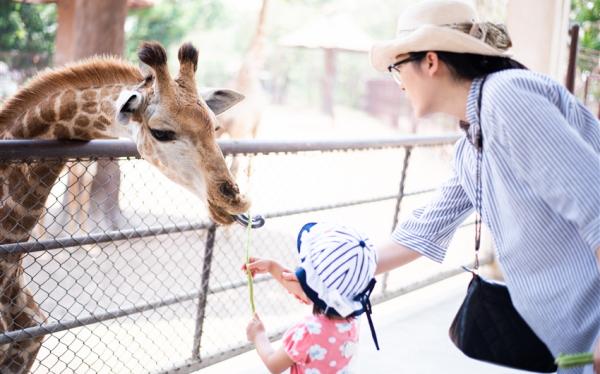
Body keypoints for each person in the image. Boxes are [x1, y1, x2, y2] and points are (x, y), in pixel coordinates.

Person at [278, 1, 600, 373]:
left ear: (430, 61)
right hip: (573, 354)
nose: (397, 84)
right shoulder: (471, 143)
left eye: (397, 69)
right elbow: (420, 232)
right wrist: (317, 278)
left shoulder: (506, 97)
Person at [244, 222, 379, 374]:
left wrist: (258, 335)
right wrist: (271, 266)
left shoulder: (308, 332)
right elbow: (310, 292)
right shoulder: (351, 321)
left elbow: (274, 364)